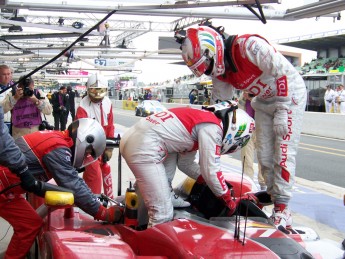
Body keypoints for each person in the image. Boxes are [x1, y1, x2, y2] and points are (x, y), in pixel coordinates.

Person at [178, 24, 307, 230]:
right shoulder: (220, 73)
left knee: (282, 154)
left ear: (212, 49)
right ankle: (271, 198)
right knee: (264, 156)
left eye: (207, 64)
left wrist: (283, 108)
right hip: (263, 102)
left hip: (289, 96)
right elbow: (221, 107)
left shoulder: (249, 46)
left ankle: (283, 210)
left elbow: (282, 71)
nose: (209, 70)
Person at [0, 118, 123, 258]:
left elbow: (73, 181)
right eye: (88, 152)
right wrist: (103, 213)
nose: (86, 156)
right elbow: (73, 185)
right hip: (3, 187)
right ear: (84, 139)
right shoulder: (57, 147)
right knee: (28, 225)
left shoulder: (58, 139)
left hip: (9, 188)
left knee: (31, 224)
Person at [120, 101, 255, 227]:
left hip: (136, 139)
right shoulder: (213, 127)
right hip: (144, 147)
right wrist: (228, 200)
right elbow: (211, 170)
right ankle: (149, 250)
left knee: (153, 190)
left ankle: (137, 224)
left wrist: (208, 181)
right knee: (163, 214)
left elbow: (185, 164)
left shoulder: (201, 119)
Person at [0, 104, 56, 259]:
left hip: (14, 161)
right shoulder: (9, 97)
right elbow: (2, 140)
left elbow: (48, 110)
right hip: (11, 164)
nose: (7, 77)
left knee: (30, 223)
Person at [76, 74, 115, 199]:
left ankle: (89, 199)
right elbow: (82, 132)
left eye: (100, 90)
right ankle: (94, 203)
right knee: (94, 175)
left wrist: (109, 148)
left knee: (104, 172)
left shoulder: (108, 103)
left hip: (104, 143)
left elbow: (110, 125)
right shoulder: (83, 106)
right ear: (88, 90)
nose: (97, 94)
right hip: (89, 147)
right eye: (93, 90)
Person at [238, 91, 266, 190]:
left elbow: (265, 108)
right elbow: (239, 109)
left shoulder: (264, 93)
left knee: (263, 158)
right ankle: (248, 182)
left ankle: (263, 183)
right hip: (248, 129)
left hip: (262, 130)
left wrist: (252, 99)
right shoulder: (244, 95)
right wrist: (244, 98)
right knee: (247, 158)